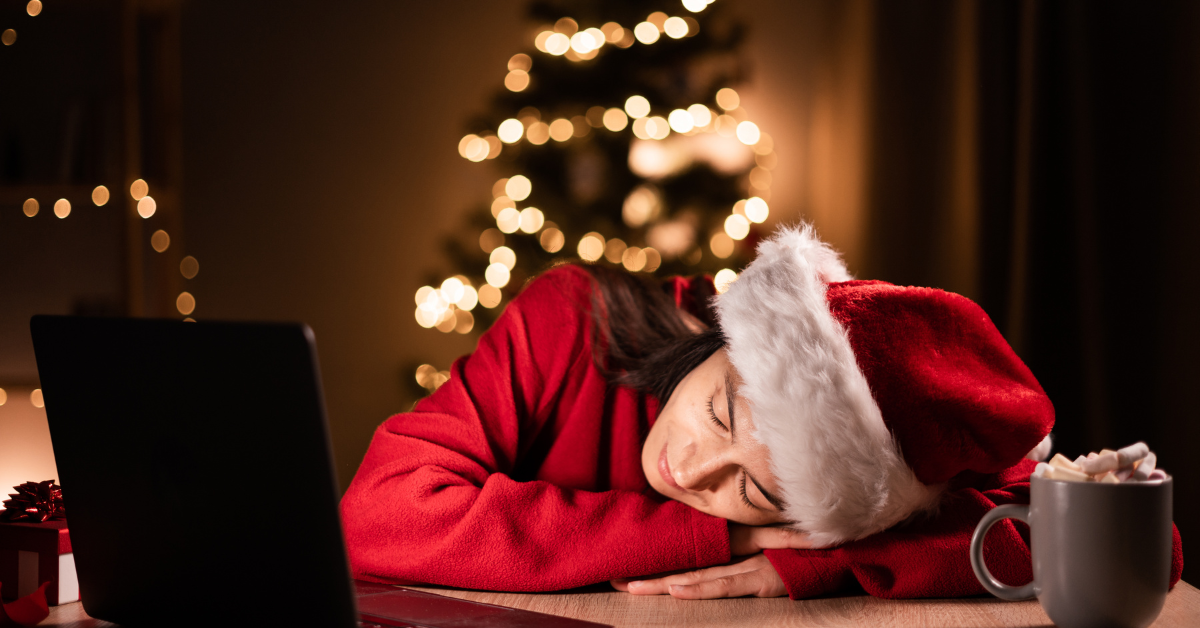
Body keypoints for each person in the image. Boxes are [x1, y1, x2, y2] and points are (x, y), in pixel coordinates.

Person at [340, 225, 1183, 599]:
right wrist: (727, 533)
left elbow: (1151, 548)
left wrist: (823, 562)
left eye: (757, 495)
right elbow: (375, 517)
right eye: (723, 412)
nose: (694, 470)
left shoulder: (880, 468)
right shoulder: (571, 321)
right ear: (726, 342)